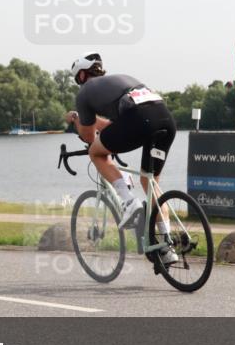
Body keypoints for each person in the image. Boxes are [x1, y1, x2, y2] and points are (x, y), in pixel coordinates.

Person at [64, 52, 179, 266]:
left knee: (96, 153)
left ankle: (129, 202)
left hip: (138, 121)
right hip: (165, 121)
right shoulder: (119, 80)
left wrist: (76, 120)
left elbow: (89, 138)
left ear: (81, 76)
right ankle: (168, 244)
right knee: (150, 183)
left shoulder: (85, 93)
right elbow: (112, 128)